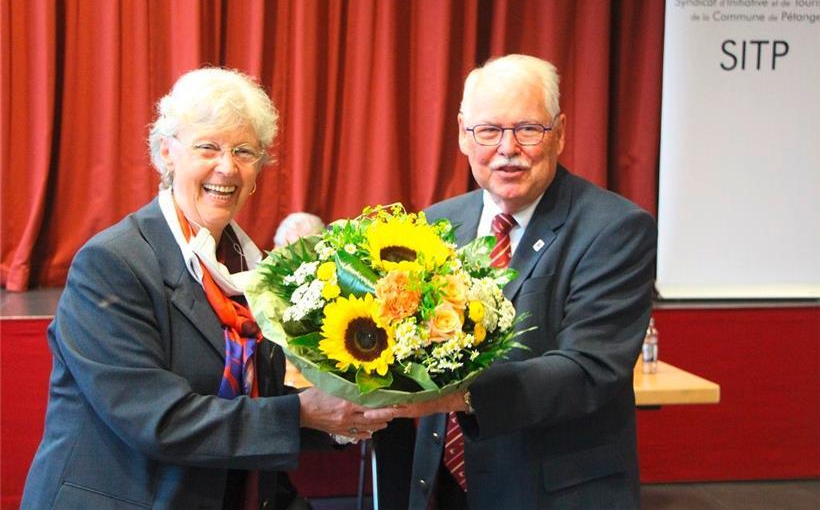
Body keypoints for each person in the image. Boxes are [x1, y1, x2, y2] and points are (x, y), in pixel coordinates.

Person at [21, 68, 395, 510]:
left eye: (244, 151)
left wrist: (347, 413)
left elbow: (262, 397)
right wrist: (304, 414)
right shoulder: (113, 263)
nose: (227, 167)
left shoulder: (256, 269)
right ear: (166, 153)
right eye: (207, 148)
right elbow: (159, 420)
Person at [381, 54, 657, 509]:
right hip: (441, 489)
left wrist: (457, 396)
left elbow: (588, 369)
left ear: (560, 132)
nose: (508, 148)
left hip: (552, 495)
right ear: (462, 136)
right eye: (489, 131)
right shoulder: (435, 226)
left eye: (528, 129)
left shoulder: (615, 229)